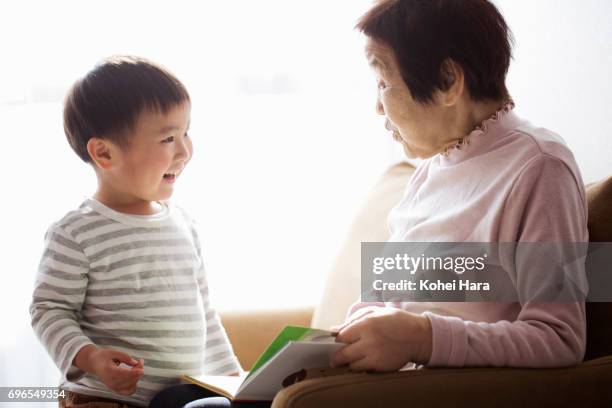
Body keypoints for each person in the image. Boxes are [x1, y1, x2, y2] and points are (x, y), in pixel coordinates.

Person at [331, 0, 588, 371]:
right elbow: (377, 298)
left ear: (448, 81)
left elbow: (560, 338)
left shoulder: (540, 166)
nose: (377, 107)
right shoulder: (427, 175)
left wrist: (424, 338)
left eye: (384, 83)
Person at [29, 56, 241, 407]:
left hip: (180, 397)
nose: (185, 150)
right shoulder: (76, 232)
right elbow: (48, 310)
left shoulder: (184, 224)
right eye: (168, 138)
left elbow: (204, 312)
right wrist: (91, 357)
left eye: (185, 132)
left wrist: (232, 381)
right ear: (104, 153)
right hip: (105, 400)